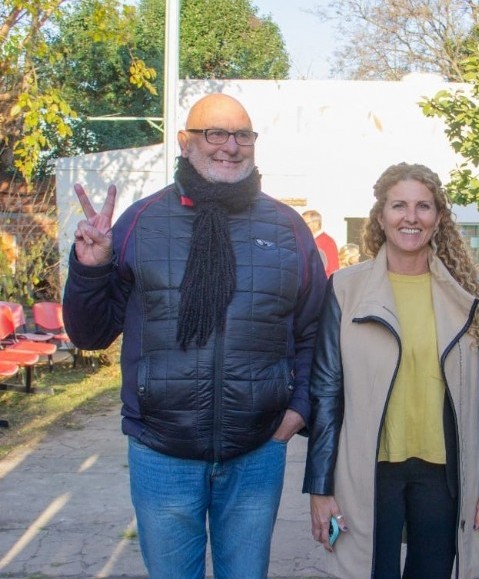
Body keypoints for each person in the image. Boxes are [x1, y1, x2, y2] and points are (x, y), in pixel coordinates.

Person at [62, 93, 327, 579]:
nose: (230, 146)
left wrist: (299, 409)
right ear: (185, 142)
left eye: (242, 135)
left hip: (257, 451)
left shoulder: (288, 228)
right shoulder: (140, 222)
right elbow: (91, 334)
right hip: (161, 451)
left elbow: (315, 330)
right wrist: (90, 269)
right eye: (215, 133)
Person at [303, 162, 479, 578]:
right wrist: (320, 489)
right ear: (380, 216)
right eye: (399, 205)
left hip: (443, 472)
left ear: (438, 218)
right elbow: (326, 394)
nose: (411, 217)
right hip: (368, 471)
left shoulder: (467, 290)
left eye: (424, 206)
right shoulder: (346, 289)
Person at [303, 209, 339, 277]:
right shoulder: (307, 240)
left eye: (305, 223)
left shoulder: (328, 242)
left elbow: (332, 269)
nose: (302, 226)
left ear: (316, 223)